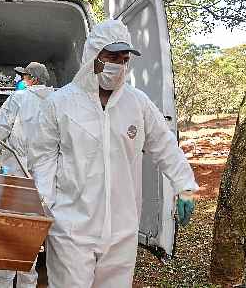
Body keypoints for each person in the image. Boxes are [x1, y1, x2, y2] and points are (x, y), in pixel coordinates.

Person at [30, 19, 199, 288]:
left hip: (122, 229)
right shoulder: (59, 103)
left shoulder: (137, 103)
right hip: (72, 227)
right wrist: (42, 209)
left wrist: (185, 185)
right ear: (93, 57)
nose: (118, 66)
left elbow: (163, 144)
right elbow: (43, 159)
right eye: (111, 57)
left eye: (124, 59)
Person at [0, 61, 54, 288]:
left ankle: (3, 284)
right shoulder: (58, 102)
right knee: (31, 239)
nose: (20, 80)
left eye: (24, 77)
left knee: (7, 236)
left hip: (15, 179)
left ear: (32, 79)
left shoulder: (18, 99)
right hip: (44, 186)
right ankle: (27, 284)